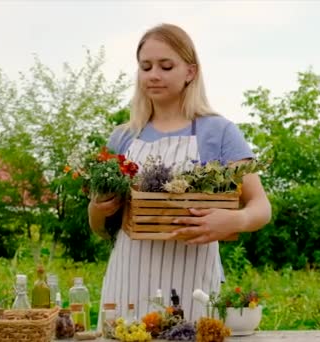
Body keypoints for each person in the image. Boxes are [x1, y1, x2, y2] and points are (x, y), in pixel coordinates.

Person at [88, 23, 271, 324]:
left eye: (166, 66)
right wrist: (98, 208)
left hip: (194, 284)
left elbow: (261, 207)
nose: (153, 75)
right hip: (127, 281)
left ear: (190, 72)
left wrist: (234, 220)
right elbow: (100, 228)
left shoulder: (219, 132)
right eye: (145, 67)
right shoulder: (122, 137)